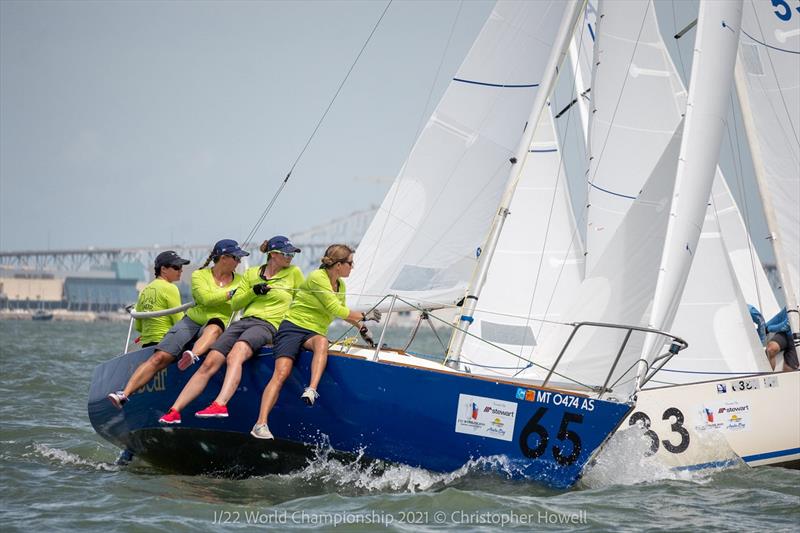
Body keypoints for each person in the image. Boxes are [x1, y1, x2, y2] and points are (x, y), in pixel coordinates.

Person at [158, 236, 305, 424]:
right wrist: (254, 291)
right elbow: (235, 303)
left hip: (268, 324)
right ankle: (174, 411)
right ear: (273, 254)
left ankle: (220, 403)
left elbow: (303, 301)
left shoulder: (294, 273)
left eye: (292, 253)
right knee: (210, 361)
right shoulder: (251, 274)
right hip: (244, 321)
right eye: (287, 253)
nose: (291, 256)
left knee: (236, 354)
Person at [250, 244, 381, 439]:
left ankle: (311, 390)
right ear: (338, 265)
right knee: (281, 373)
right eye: (350, 263)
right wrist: (365, 315)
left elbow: (341, 311)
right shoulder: (317, 277)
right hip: (292, 327)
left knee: (322, 342)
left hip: (314, 332)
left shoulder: (341, 285)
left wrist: (361, 328)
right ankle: (260, 424)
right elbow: (334, 308)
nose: (352, 267)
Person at [107, 239, 247, 409]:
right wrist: (231, 293)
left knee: (215, 325)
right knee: (159, 357)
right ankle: (124, 394)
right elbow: (206, 299)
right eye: (236, 258)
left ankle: (192, 356)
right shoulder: (199, 275)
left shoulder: (242, 280)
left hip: (216, 325)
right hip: (192, 321)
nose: (239, 262)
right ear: (223, 258)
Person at [134, 251, 190, 348]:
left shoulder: (144, 291)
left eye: (181, 267)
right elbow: (179, 321)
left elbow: (138, 326)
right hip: (166, 345)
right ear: (163, 269)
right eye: (176, 267)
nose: (181, 271)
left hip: (146, 346)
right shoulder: (170, 288)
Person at [764, 308, 799, 372]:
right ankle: (770, 377)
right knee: (771, 349)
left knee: (788, 370)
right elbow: (779, 317)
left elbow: (786, 326)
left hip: (797, 338)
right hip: (785, 335)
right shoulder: (792, 304)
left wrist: (768, 329)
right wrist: (764, 327)